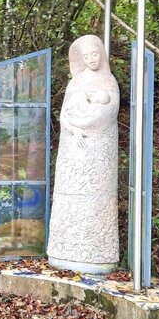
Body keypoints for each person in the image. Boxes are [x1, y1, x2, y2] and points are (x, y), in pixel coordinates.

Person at [47, 35, 120, 274]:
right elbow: (64, 114)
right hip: (73, 147)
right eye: (86, 56)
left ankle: (98, 254)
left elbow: (107, 114)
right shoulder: (75, 82)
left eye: (95, 54)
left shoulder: (109, 81)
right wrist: (75, 126)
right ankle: (64, 250)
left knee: (95, 196)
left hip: (99, 150)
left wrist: (87, 121)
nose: (91, 59)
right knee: (70, 195)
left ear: (102, 54)